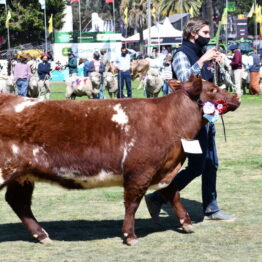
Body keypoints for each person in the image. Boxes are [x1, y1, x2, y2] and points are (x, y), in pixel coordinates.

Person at [145, 17, 236, 222]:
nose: (209, 37)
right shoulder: (182, 54)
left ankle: (211, 209)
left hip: (206, 117)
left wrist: (214, 64)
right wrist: (202, 61)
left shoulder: (198, 54)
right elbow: (186, 80)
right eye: (205, 33)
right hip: (189, 123)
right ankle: (157, 197)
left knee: (211, 163)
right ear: (193, 34)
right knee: (197, 165)